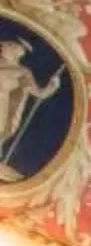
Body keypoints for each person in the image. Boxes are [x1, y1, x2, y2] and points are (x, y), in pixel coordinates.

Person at [0, 35, 65, 184]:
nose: (2, 47)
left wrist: (53, 86)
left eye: (7, 45)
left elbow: (39, 93)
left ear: (16, 51)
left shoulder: (21, 72)